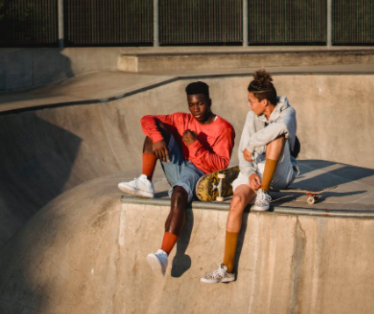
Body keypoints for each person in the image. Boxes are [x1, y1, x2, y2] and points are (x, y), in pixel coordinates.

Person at [117, 81, 235, 276]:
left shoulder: (224, 128)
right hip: (179, 166)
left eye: (200, 104)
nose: (196, 109)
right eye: (191, 104)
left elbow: (220, 166)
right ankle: (145, 181)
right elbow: (146, 119)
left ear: (210, 101)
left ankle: (163, 254)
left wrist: (196, 145)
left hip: (200, 173)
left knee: (179, 194)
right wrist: (157, 138)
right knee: (154, 134)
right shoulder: (182, 119)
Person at [200, 70, 298, 284]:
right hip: (257, 170)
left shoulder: (287, 113)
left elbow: (279, 128)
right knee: (236, 202)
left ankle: (264, 193)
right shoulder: (251, 117)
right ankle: (227, 268)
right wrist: (250, 172)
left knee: (276, 137)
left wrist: (253, 144)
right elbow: (243, 151)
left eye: (251, 101)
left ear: (264, 102)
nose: (248, 105)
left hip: (280, 173)